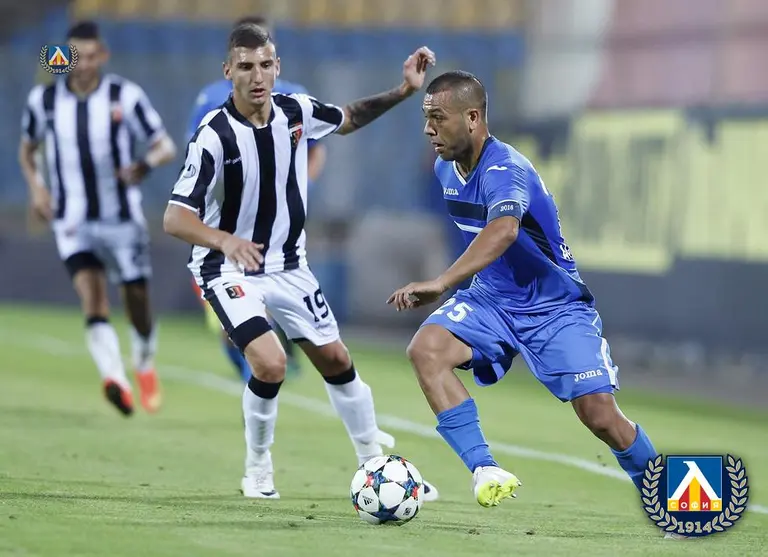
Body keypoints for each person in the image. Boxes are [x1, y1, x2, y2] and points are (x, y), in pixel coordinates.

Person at [163, 23, 439, 500]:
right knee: (270, 363)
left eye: (265, 65)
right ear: (228, 71)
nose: (257, 76)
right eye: (245, 67)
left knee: (337, 360)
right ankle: (257, 468)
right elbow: (175, 217)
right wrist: (225, 241)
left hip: (290, 266)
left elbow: (348, 116)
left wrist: (403, 91)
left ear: (278, 68)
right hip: (227, 268)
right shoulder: (214, 135)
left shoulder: (296, 111)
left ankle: (375, 465)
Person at [388, 70, 657, 509]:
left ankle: (672, 497)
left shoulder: (505, 169)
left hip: (554, 309)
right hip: (491, 301)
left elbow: (504, 230)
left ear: (472, 118)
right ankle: (484, 468)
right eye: (426, 117)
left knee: (600, 416)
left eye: (438, 117)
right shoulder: (444, 168)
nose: (428, 129)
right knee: (427, 349)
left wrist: (441, 282)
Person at [19, 21, 176, 416]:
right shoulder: (45, 100)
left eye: (91, 56)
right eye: (76, 56)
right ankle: (115, 379)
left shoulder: (125, 96)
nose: (83, 64)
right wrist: (38, 189)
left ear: (102, 55)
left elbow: (164, 146)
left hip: (121, 218)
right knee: (92, 295)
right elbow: (27, 149)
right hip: (71, 218)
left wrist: (144, 164)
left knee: (137, 300)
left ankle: (143, 361)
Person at [187, 15, 325, 382]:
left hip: (278, 219)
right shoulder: (212, 97)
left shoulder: (293, 97)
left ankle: (268, 351)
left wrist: (303, 187)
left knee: (276, 284)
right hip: (229, 216)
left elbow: (316, 149)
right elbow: (197, 155)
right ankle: (248, 352)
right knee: (233, 294)